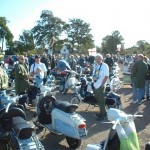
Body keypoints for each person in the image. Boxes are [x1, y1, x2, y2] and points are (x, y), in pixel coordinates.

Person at [92, 53, 109, 121]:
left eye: (99, 59)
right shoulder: (95, 66)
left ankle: (103, 114)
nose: (97, 60)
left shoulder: (104, 65)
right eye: (96, 59)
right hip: (95, 85)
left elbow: (106, 76)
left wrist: (102, 84)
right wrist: (93, 79)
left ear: (102, 59)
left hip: (101, 86)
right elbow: (94, 74)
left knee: (101, 101)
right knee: (98, 100)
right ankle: (102, 112)